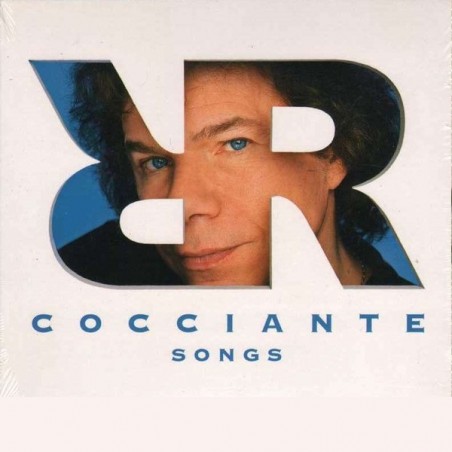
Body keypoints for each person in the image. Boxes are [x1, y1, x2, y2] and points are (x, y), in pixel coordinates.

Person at [59, 61, 412, 286]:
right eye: (155, 162)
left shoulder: (413, 344)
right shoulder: (81, 276)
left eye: (236, 144)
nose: (183, 204)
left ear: (333, 156)